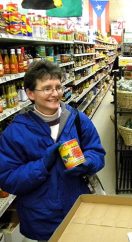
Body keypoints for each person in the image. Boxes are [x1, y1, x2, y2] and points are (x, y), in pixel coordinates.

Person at [0, 60, 106, 241]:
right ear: (30, 93)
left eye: (58, 87)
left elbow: (97, 153)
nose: (55, 93)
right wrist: (42, 165)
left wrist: (86, 162)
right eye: (47, 88)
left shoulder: (78, 119)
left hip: (78, 207)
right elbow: (8, 178)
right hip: (42, 216)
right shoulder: (15, 132)